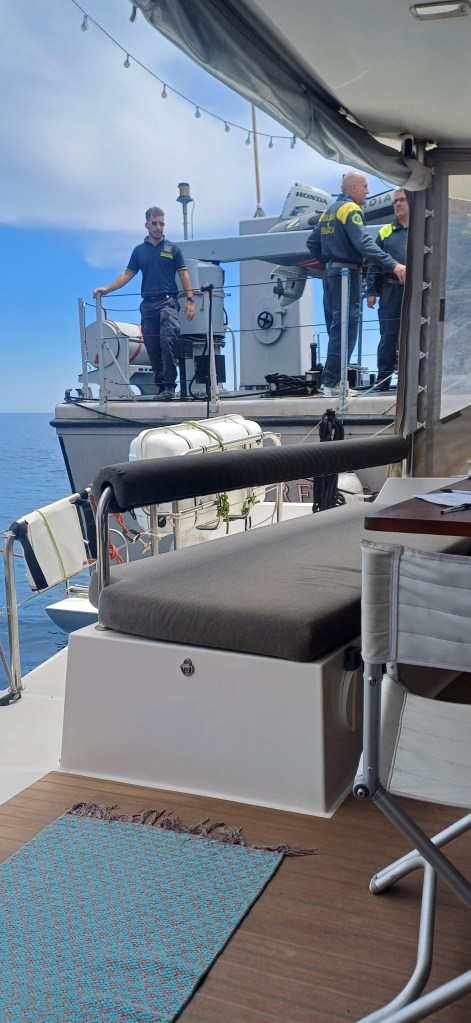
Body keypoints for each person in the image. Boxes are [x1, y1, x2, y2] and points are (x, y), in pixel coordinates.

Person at [307, 171, 406, 397]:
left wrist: (329, 263)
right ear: (353, 188)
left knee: (336, 328)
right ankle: (334, 383)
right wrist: (393, 265)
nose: (368, 191)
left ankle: (332, 382)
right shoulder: (351, 209)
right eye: (365, 186)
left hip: (331, 275)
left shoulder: (329, 211)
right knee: (346, 327)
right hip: (346, 275)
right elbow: (364, 243)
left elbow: (312, 242)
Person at [93, 206, 195, 400]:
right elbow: (127, 274)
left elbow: (183, 273)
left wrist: (190, 300)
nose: (158, 227)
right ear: (146, 225)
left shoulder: (172, 249)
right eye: (154, 223)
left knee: (168, 341)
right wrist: (107, 289)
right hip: (148, 304)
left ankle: (169, 387)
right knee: (152, 346)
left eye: (162, 224)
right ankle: (160, 387)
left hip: (167, 302)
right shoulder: (139, 251)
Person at [366, 189, 409, 390]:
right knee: (388, 336)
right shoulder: (385, 232)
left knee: (419, 333)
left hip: (418, 291)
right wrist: (371, 292)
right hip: (391, 290)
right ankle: (383, 380)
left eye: (402, 200)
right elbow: (374, 262)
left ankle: (414, 377)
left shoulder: (423, 229)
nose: (398, 204)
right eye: (395, 201)